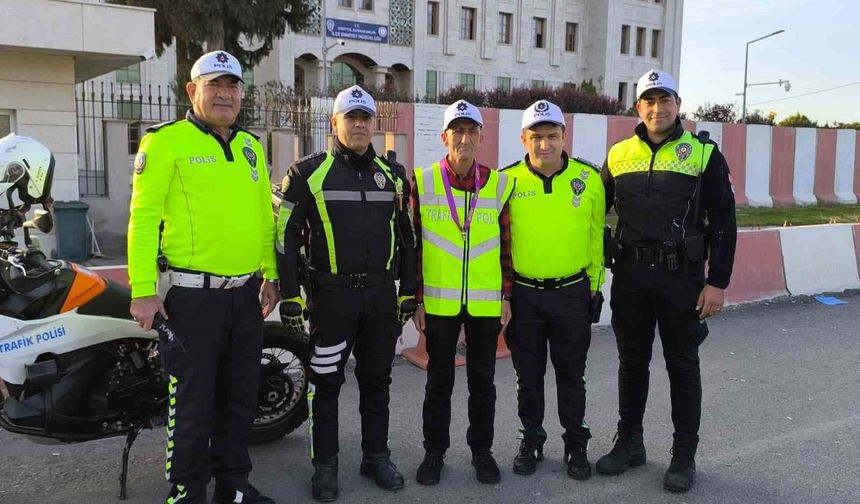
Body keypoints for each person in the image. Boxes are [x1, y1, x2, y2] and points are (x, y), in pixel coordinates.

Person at [127, 50, 279, 504]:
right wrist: (142, 292)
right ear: (192, 91)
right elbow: (142, 218)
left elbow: (264, 220)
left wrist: (270, 274)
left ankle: (233, 484)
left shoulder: (251, 146)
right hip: (193, 300)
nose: (224, 94)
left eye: (232, 87)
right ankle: (187, 491)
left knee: (240, 397)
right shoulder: (165, 142)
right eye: (214, 85)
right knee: (192, 402)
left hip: (245, 295)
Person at [596, 69, 737, 493]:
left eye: (666, 100)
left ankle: (683, 455)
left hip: (682, 279)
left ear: (679, 105)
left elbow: (725, 221)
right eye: (649, 102)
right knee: (632, 362)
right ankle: (630, 443)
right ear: (638, 108)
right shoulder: (619, 154)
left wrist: (718, 282)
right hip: (632, 277)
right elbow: (591, 213)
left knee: (682, 364)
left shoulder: (702, 154)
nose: (658, 109)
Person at [275, 85, 417, 503]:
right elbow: (284, 237)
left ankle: (376, 456)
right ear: (334, 123)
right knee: (327, 382)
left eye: (364, 118)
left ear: (373, 124)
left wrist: (408, 291)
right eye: (349, 117)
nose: (358, 124)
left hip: (379, 298)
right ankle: (326, 465)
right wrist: (290, 294)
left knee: (378, 381)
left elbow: (408, 238)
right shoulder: (306, 172)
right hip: (332, 298)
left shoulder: (393, 175)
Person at [411, 100, 515, 486]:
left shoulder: (500, 184)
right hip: (438, 304)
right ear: (444, 137)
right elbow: (416, 248)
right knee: (439, 382)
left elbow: (507, 247)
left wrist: (506, 295)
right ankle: (433, 452)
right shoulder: (421, 183)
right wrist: (418, 299)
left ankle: (481, 451)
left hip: (486, 304)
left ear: (482, 137)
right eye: (458, 131)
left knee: (482, 383)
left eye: (472, 131)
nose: (465, 138)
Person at [500, 100, 605, 480]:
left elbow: (596, 238)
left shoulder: (589, 179)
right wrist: (505, 296)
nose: (545, 145)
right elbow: (499, 244)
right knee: (528, 376)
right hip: (525, 297)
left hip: (572, 293)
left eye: (552, 136)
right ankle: (532, 438)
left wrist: (594, 288)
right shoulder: (506, 181)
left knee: (571, 374)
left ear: (564, 136)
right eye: (536, 137)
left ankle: (576, 442)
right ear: (523, 139)